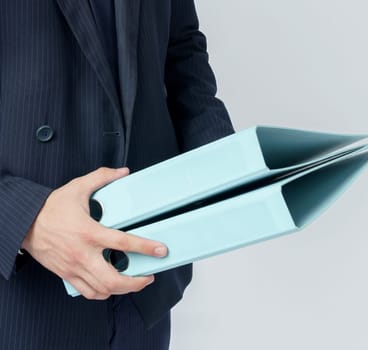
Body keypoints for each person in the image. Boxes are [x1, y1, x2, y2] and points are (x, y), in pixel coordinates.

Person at [0, 0, 234, 348]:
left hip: (143, 286)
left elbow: (180, 46)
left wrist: (227, 165)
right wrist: (24, 217)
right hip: (22, 292)